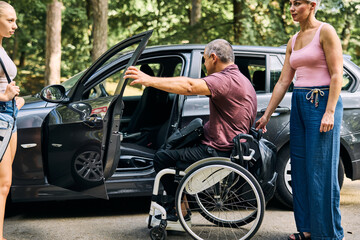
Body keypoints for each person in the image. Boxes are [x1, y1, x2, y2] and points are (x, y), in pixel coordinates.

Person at [124, 39, 257, 228]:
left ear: (213, 58)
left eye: (204, 59)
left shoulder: (223, 79)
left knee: (162, 157)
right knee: (174, 144)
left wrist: (149, 80)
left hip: (217, 150)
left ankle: (177, 210)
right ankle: (181, 205)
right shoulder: (241, 79)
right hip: (225, 144)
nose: (204, 64)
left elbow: (189, 86)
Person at [256, 0, 344, 239]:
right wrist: (266, 114)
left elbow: (337, 74)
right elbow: (284, 81)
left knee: (322, 171)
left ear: (312, 5)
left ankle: (328, 234)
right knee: (301, 169)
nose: (292, 8)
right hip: (299, 103)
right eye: (291, 4)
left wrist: (329, 111)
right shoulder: (293, 40)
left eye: (297, 3)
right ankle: (306, 230)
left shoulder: (326, 31)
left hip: (322, 101)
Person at [0, 2, 24, 240]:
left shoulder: (1, 47)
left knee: (5, 185)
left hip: (9, 113)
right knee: (2, 184)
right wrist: (3, 97)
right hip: (0, 114)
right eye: (10, 20)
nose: (15, 25)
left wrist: (14, 100)